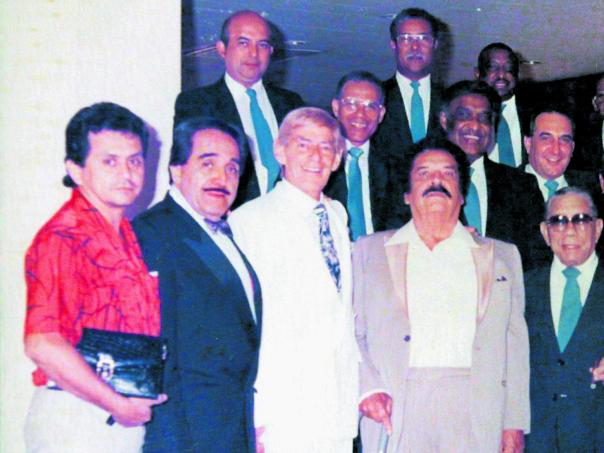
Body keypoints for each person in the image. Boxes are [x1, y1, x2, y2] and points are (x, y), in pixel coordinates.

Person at [354, 137, 530, 452]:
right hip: (397, 404)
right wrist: (367, 388)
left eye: (448, 173)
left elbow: (514, 345)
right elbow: (352, 332)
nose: (436, 180)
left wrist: (514, 422)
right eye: (424, 173)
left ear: (462, 195)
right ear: (407, 195)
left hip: (476, 406)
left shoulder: (502, 255)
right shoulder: (369, 251)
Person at [23, 102, 164, 452]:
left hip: (110, 417)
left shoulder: (124, 233)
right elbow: (42, 343)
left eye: (135, 161)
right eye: (109, 161)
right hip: (78, 419)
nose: (126, 173)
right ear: (76, 169)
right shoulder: (64, 237)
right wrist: (118, 405)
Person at [230, 107, 359, 452]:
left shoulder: (336, 215)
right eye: (303, 145)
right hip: (281, 411)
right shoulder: (249, 221)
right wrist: (256, 412)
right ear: (280, 151)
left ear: (337, 159)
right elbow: (244, 325)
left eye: (326, 147)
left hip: (336, 407)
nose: (316, 156)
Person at [132, 117, 261, 452]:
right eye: (208, 164)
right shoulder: (153, 233)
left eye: (232, 168)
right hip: (186, 437)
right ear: (176, 170)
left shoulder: (223, 234)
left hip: (228, 430)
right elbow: (154, 362)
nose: (222, 178)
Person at [174, 10, 304, 207]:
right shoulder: (196, 104)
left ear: (271, 51)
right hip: (227, 217)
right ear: (222, 49)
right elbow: (183, 173)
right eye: (243, 43)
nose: (254, 53)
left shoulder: (291, 104)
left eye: (262, 45)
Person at [524, 187, 604, 452]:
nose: (569, 230)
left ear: (598, 228)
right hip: (537, 440)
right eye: (558, 221)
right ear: (545, 232)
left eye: (581, 219)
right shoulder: (522, 288)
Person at [439, 80, 544, 270]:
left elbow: (536, 260)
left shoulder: (522, 185)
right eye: (464, 115)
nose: (475, 125)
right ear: (445, 120)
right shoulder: (421, 182)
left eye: (484, 118)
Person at [373, 7, 443, 186]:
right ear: (393, 44)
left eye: (423, 38)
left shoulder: (451, 101)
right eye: (406, 38)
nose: (415, 46)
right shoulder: (375, 99)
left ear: (435, 44)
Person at [326, 70, 391, 238]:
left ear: (381, 114)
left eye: (370, 106)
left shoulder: (394, 166)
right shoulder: (318, 162)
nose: (360, 114)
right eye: (351, 104)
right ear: (336, 108)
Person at [523, 109, 599, 202]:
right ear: (528, 144)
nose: (556, 150)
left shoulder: (593, 188)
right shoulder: (508, 187)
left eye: (564, 140)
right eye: (546, 138)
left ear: (572, 148)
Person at [476, 42, 531, 167]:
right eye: (493, 68)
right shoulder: (467, 116)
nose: (501, 75)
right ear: (478, 73)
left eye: (508, 68)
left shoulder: (534, 112)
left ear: (517, 75)